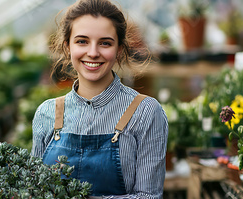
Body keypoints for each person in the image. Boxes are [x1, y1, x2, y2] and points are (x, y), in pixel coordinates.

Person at [31, 0, 168, 198]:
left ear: (120, 49)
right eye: (82, 41)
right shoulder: (47, 113)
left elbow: (149, 196)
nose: (93, 53)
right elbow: (35, 190)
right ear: (67, 47)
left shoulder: (145, 112)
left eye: (105, 43)